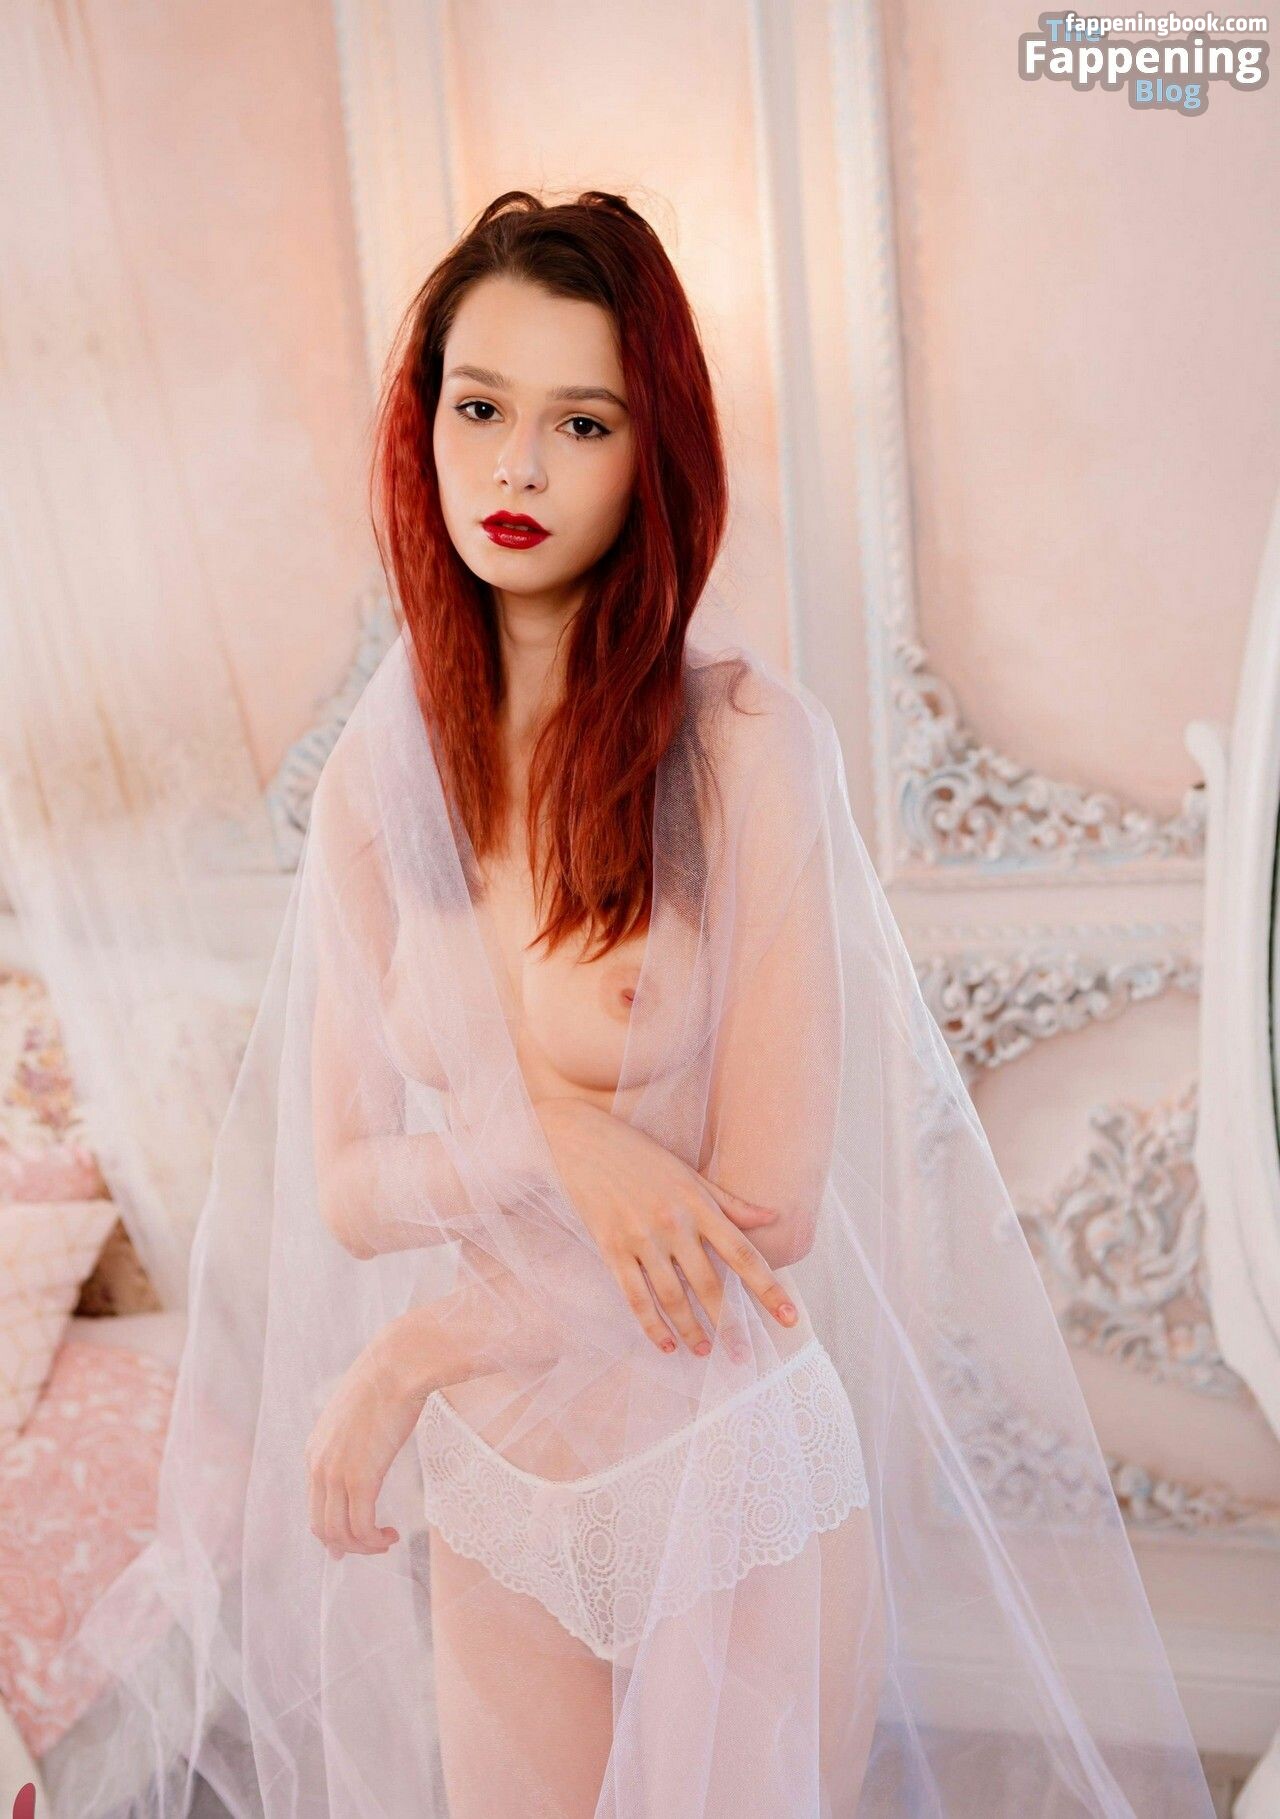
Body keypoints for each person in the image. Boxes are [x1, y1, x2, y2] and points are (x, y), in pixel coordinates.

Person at [41, 190, 1215, 1817]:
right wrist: (559, 1146)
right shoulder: (380, 785)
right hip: (500, 1484)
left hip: (718, 1477)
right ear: (423, 428)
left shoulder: (745, 752)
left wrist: (414, 1350)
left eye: (580, 423)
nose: (517, 469)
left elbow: (764, 1211)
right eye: (480, 409)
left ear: (650, 454)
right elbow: (349, 1185)